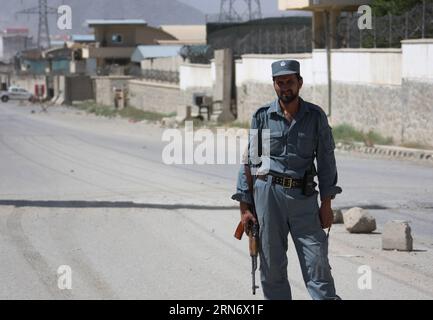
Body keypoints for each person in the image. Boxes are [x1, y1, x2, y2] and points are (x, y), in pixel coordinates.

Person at [232, 60, 342, 300]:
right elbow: (250, 163)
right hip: (268, 196)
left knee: (317, 263)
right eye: (279, 83)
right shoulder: (262, 117)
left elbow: (326, 162)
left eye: (289, 82)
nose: (285, 87)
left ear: (299, 83)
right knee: (272, 267)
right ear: (274, 85)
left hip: (303, 199)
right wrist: (245, 208)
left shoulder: (315, 116)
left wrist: (326, 204)